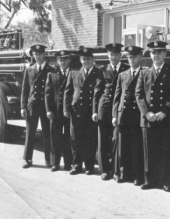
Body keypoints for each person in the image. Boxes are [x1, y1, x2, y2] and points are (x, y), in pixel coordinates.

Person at [135, 40, 170, 191]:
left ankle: (166, 181)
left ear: (164, 54)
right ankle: (149, 180)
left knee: (166, 151)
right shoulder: (144, 73)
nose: (156, 55)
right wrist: (147, 113)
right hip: (148, 119)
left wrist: (164, 112)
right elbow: (139, 95)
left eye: (159, 52)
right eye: (153, 52)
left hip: (165, 118)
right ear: (150, 55)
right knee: (149, 151)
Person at [92, 43, 130, 181]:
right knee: (102, 139)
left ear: (120, 56)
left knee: (116, 139)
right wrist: (95, 111)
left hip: (119, 108)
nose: (113, 57)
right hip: (104, 107)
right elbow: (97, 91)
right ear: (108, 56)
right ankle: (105, 170)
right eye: (111, 55)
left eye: (116, 54)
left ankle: (116, 170)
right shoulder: (102, 70)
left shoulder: (126, 69)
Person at [64, 47, 99, 175]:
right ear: (80, 60)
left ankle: (89, 166)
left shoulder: (97, 72)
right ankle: (76, 165)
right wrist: (66, 109)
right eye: (84, 59)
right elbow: (67, 92)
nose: (86, 61)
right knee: (75, 140)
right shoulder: (74, 73)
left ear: (93, 59)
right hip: (76, 111)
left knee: (90, 140)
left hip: (90, 111)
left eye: (88, 59)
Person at [112, 45, 144, 185]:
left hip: (137, 115)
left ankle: (137, 176)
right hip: (123, 115)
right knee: (122, 147)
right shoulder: (122, 75)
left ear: (140, 57)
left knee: (136, 147)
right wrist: (114, 115)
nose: (131, 60)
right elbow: (117, 97)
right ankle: (123, 174)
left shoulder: (145, 73)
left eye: (134, 57)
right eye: (129, 57)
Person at [21, 44, 54, 168]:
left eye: (40, 54)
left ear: (44, 54)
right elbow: (25, 89)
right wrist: (23, 106)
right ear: (33, 55)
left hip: (46, 106)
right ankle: (27, 159)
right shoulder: (29, 69)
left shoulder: (50, 70)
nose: (38, 57)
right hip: (32, 105)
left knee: (47, 133)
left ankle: (48, 160)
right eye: (35, 55)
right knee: (30, 133)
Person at [45, 50, 73, 172]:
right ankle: (55, 163)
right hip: (55, 112)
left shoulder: (74, 73)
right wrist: (49, 110)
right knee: (55, 138)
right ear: (57, 61)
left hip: (69, 112)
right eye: (60, 60)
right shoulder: (52, 75)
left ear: (69, 60)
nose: (63, 62)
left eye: (65, 59)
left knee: (68, 138)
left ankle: (68, 163)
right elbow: (47, 94)